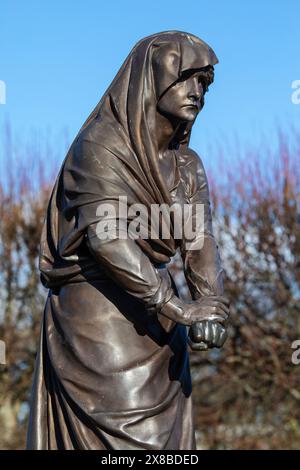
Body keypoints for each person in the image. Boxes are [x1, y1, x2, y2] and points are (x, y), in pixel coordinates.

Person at [27, 31, 229, 450]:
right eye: (187, 78)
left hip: (160, 328)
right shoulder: (99, 147)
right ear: (152, 78)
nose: (198, 92)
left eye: (204, 83)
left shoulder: (187, 165)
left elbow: (200, 240)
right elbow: (107, 238)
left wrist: (210, 305)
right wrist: (177, 307)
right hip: (100, 321)